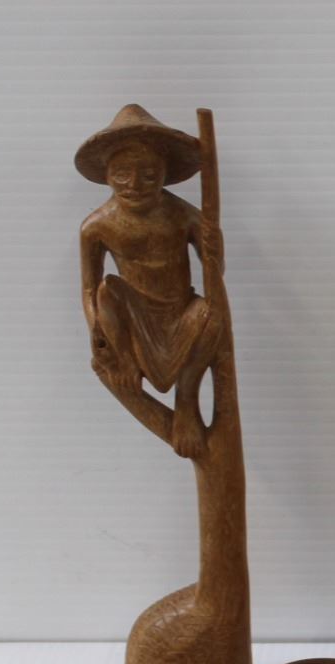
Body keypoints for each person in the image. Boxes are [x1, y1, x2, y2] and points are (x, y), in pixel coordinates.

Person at [75, 104, 226, 460]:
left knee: (212, 312)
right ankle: (128, 362)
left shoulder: (183, 215)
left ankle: (186, 399)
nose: (134, 185)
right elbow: (89, 290)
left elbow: (214, 273)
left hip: (181, 314)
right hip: (132, 319)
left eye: (148, 174)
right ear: (107, 175)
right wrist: (100, 334)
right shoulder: (96, 226)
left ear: (164, 173)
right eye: (122, 174)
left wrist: (213, 246)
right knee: (107, 291)